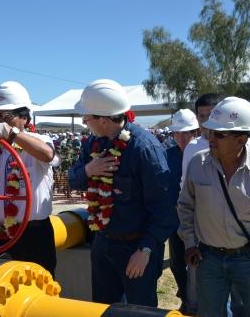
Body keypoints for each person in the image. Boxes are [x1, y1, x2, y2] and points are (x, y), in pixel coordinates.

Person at [68, 79, 177, 307]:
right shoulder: (92, 145)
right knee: (103, 308)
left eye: (87, 118)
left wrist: (145, 249)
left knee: (140, 309)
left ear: (104, 120)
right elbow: (73, 179)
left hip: (137, 248)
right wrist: (89, 170)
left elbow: (164, 209)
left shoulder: (144, 149)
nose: (85, 122)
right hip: (104, 243)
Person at [0, 81, 61, 275]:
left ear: (25, 118)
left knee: (40, 294)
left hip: (34, 237)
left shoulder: (40, 142)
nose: (1, 121)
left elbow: (47, 155)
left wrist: (11, 133)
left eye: (7, 116)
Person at [178, 97, 250, 317]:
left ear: (241, 139)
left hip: (247, 260)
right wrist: (190, 243)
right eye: (209, 131)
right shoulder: (197, 164)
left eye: (219, 134)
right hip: (208, 260)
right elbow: (185, 207)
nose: (210, 138)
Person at [165, 109, 199, 314]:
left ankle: (196, 301)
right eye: (177, 133)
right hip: (174, 219)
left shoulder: (202, 153)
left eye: (185, 132)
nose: (181, 137)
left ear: (195, 132)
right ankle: (185, 298)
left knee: (197, 264)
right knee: (177, 262)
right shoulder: (167, 154)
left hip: (198, 220)